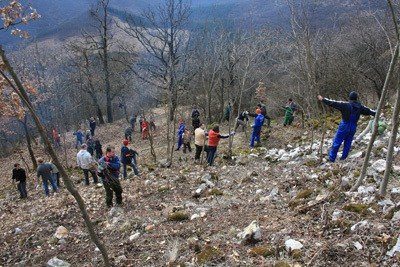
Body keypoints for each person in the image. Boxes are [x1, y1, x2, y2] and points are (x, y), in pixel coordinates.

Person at [317, 92, 376, 162]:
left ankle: (331, 159)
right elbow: (370, 112)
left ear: (349, 98)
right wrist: (377, 113)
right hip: (353, 127)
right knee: (348, 143)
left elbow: (332, 103)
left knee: (337, 142)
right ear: (356, 98)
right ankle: (343, 158)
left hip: (344, 126)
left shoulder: (345, 105)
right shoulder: (360, 107)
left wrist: (323, 99)